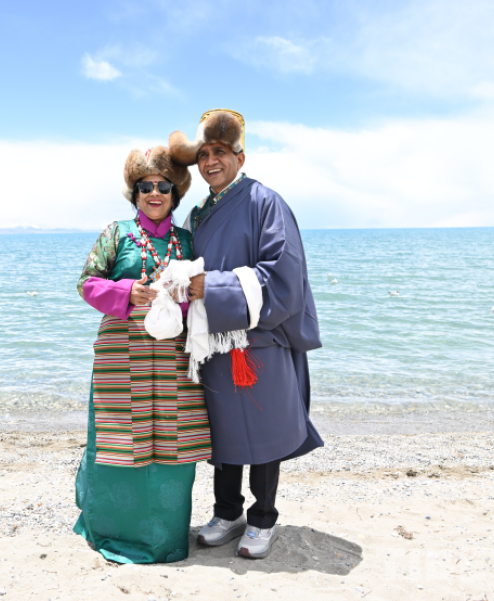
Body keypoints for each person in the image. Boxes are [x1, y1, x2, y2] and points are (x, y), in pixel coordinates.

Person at [169, 109, 323, 559]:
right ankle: (227, 511)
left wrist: (212, 287)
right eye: (203, 154)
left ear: (240, 156)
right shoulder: (199, 215)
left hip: (259, 338)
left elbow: (284, 275)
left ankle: (263, 518)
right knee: (224, 432)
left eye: (220, 152)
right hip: (214, 339)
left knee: (263, 427)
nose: (211, 161)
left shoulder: (265, 202)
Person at [73, 145, 212, 564]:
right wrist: (126, 291)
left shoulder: (186, 240)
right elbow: (86, 283)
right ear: (134, 193)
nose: (155, 193)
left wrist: (181, 298)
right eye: (146, 186)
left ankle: (166, 537)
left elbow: (201, 293)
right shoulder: (116, 234)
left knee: (173, 441)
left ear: (174, 194)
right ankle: (112, 530)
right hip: (121, 354)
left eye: (164, 187)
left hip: (173, 358)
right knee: (118, 437)